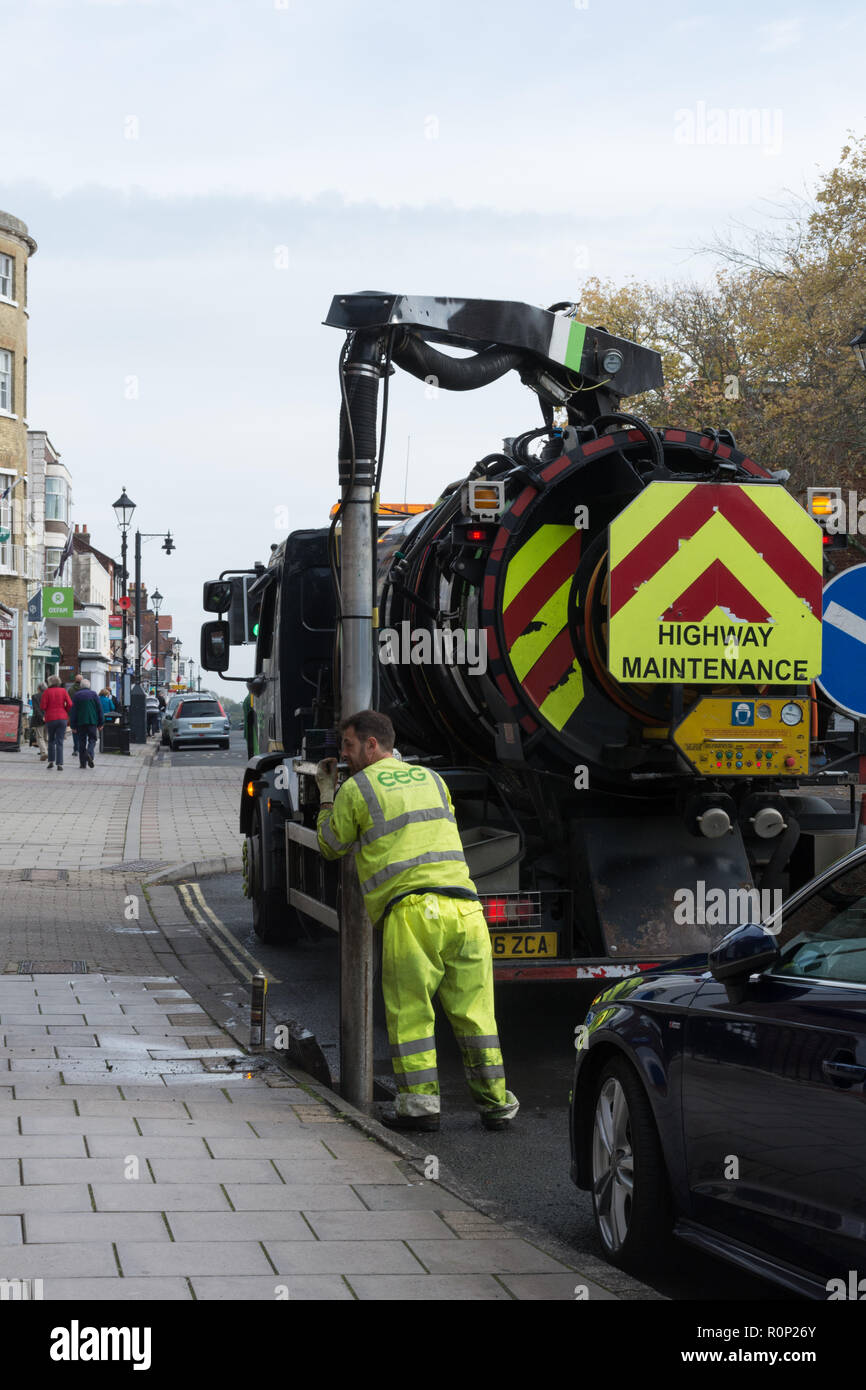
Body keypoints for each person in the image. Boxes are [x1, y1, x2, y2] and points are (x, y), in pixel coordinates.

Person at [316, 709, 519, 1134]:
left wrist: (325, 795)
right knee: (477, 1017)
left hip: (413, 914)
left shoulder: (358, 788)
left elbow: (331, 845)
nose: (345, 756)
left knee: (411, 1016)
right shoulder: (432, 779)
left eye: (348, 746)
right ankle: (496, 1106)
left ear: (372, 745)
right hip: (467, 910)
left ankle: (421, 1108)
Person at [69, 676, 104, 769]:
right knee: (92, 739)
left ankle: (82, 763)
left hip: (80, 722)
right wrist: (101, 723)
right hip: (92, 721)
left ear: (81, 686)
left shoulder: (77, 695)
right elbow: (99, 709)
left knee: (81, 742)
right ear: (89, 686)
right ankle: (90, 753)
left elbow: (73, 711)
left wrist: (73, 725)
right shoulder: (94, 694)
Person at [40, 675, 72, 771]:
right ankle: (60, 764)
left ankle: (51, 761)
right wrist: (65, 711)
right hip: (62, 718)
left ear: (50, 682)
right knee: (60, 741)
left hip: (50, 718)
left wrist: (48, 710)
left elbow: (42, 706)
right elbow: (70, 704)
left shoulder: (46, 692)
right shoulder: (63, 691)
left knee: (51, 740)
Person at [30, 683, 48, 760]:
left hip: (39, 719)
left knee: (40, 737)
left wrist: (42, 717)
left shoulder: (35, 696)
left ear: (38, 689)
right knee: (46, 737)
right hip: (49, 718)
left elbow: (36, 708)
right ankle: (45, 752)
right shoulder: (49, 695)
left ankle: (44, 752)